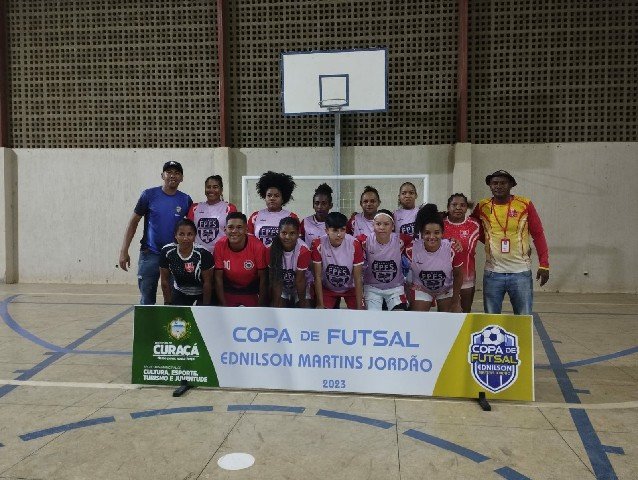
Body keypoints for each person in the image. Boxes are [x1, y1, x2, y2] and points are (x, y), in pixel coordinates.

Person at [471, 170, 549, 315]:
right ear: (490, 186)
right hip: (493, 274)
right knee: (491, 321)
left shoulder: (524, 204)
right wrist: (489, 240)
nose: (498, 186)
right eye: (494, 183)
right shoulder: (483, 206)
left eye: (503, 183)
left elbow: (538, 235)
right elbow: (471, 228)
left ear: (511, 185)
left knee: (523, 319)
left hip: (521, 273)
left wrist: (544, 264)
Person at [119, 161, 193, 305]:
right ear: (162, 175)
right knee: (147, 300)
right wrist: (124, 250)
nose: (173, 176)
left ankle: (170, 327)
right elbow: (133, 222)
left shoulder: (185, 200)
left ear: (182, 178)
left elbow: (190, 229)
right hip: (150, 254)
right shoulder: (148, 195)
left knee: (173, 299)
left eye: (177, 173)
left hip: (175, 256)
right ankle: (147, 328)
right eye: (169, 172)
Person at [406, 204, 463, 312]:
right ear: (422, 234)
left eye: (437, 233)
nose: (432, 237)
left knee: (451, 318)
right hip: (421, 289)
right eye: (427, 233)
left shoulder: (453, 249)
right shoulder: (411, 249)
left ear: (442, 233)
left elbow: (459, 275)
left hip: (446, 290)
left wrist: (456, 301)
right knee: (417, 320)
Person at [360, 209, 412, 311]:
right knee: (373, 319)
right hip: (372, 288)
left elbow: (422, 242)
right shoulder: (365, 241)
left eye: (386, 224)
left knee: (400, 316)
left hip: (395, 288)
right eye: (378, 224)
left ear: (393, 226)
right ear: (373, 225)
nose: (382, 227)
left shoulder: (401, 240)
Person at [311, 212, 364, 310]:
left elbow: (357, 278)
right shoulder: (318, 244)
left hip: (350, 289)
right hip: (327, 288)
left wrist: (360, 308)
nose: (339, 234)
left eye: (342, 230)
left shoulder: (355, 244)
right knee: (322, 314)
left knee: (360, 315)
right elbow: (317, 277)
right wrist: (320, 304)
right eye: (334, 230)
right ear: (326, 230)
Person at [214, 212, 268, 307]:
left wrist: (260, 307)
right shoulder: (219, 245)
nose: (234, 231)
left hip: (251, 290)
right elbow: (218, 278)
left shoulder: (258, 246)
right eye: (230, 227)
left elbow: (263, 278)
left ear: (246, 229)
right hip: (229, 289)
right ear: (225, 229)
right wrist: (223, 306)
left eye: (239, 227)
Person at [159, 219, 213, 306]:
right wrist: (168, 303)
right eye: (181, 234)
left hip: (202, 292)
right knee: (177, 318)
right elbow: (164, 281)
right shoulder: (167, 252)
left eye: (190, 234)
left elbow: (208, 283)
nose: (185, 238)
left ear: (195, 235)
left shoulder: (203, 253)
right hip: (180, 291)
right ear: (175, 235)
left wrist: (205, 307)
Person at [443, 193, 480, 312]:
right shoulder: (440, 225)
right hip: (445, 280)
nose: (458, 208)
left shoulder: (475, 225)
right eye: (454, 205)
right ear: (448, 207)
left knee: (465, 312)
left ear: (466, 208)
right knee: (446, 314)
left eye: (462, 205)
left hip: (467, 278)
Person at [187, 175, 237, 253]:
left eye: (215, 187)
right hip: (198, 253)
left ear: (221, 190)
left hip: (221, 253)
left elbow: (233, 232)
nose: (211, 190)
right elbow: (189, 231)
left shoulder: (229, 208)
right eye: (208, 187)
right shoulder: (195, 207)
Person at [268, 217, 311, 308]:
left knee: (305, 309)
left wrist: (302, 305)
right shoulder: (270, 249)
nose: (287, 237)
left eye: (292, 233)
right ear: (279, 233)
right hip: (282, 286)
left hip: (300, 285)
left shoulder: (303, 250)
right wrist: (276, 306)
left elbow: (300, 280)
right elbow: (276, 280)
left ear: (298, 234)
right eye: (284, 233)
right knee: (279, 309)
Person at [248, 171, 298, 247]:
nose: (272, 198)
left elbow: (296, 242)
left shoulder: (291, 217)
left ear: (283, 198)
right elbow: (249, 241)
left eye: (276, 196)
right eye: (269, 195)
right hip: (260, 257)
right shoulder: (255, 216)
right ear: (264, 197)